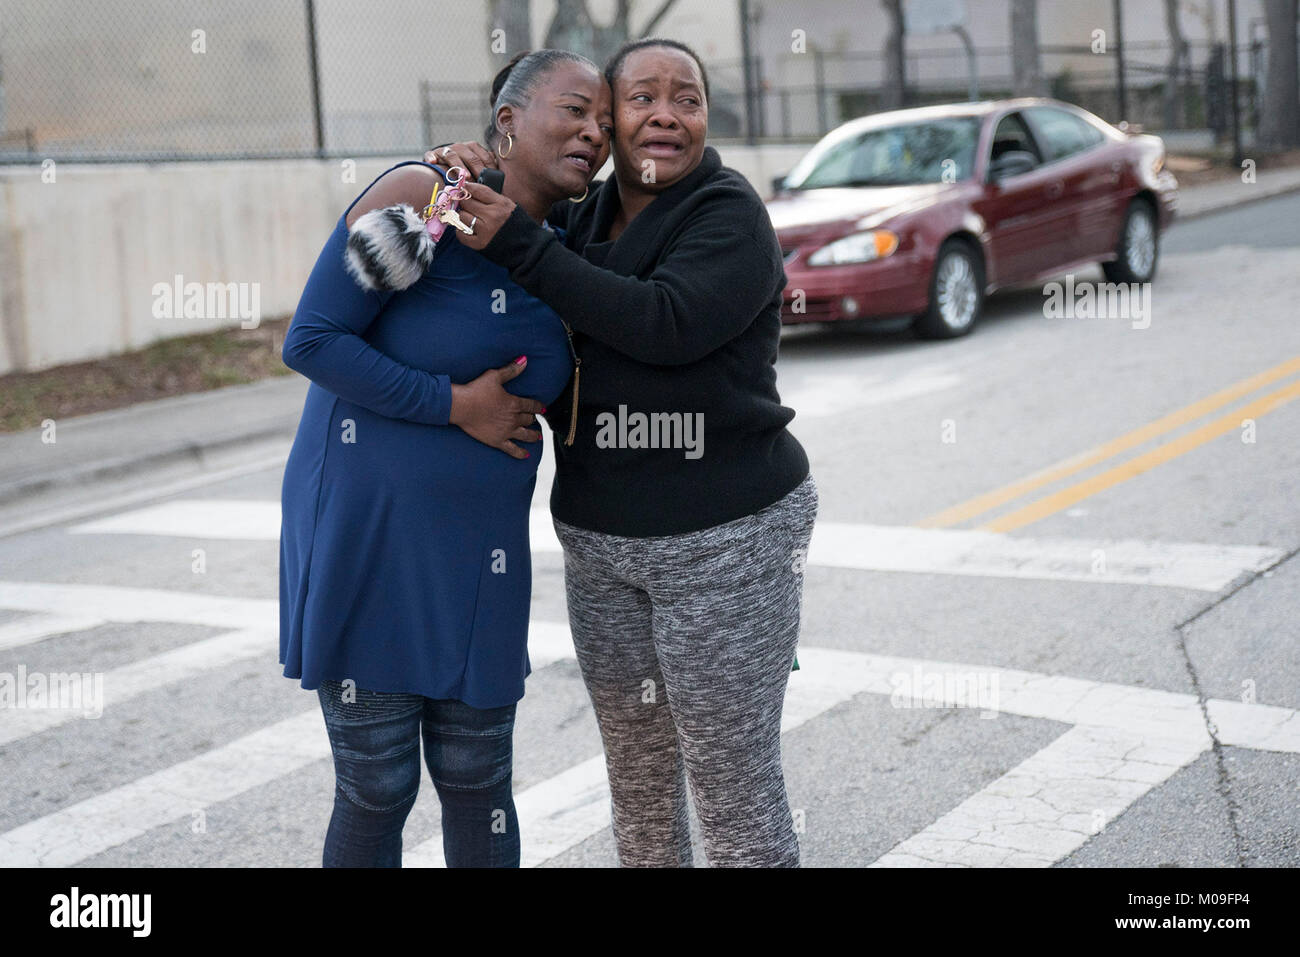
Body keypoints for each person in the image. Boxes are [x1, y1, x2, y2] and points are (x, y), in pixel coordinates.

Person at [428, 38, 817, 867]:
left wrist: (524, 249)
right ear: (611, 121)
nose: (667, 115)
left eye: (688, 98)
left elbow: (663, 324)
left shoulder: (728, 212)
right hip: (602, 542)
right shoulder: (582, 213)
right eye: (641, 99)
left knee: (732, 785)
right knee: (638, 780)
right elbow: (497, 214)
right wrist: (469, 166)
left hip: (727, 537)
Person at [278, 49, 612, 867]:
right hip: (371, 537)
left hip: (482, 557)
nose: (595, 133)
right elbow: (312, 339)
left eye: (605, 122)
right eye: (575, 111)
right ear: (507, 120)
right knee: (377, 786)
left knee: (478, 781)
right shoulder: (427, 197)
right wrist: (456, 405)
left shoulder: (568, 239)